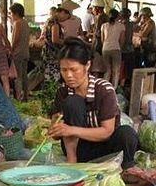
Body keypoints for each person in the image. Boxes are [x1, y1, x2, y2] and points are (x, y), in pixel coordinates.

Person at [48, 38, 140, 174]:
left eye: (74, 70)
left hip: (106, 147)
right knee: (72, 101)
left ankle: (127, 168)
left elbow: (107, 131)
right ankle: (72, 162)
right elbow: (58, 133)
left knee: (127, 133)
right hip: (79, 150)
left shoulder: (104, 90)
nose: (68, 75)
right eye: (64, 70)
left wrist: (71, 129)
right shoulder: (63, 92)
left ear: (87, 66)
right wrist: (56, 128)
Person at [9, 3, 30, 101]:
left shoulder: (17, 23)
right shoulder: (25, 22)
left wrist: (11, 49)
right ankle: (25, 96)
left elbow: (15, 39)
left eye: (12, 13)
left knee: (18, 76)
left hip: (18, 53)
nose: (11, 16)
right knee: (24, 75)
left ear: (16, 13)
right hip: (25, 52)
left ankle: (18, 98)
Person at [101, 9, 124, 88]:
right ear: (117, 16)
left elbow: (102, 39)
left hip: (105, 49)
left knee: (107, 70)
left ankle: (104, 87)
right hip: (116, 48)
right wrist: (119, 47)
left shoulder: (104, 25)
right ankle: (114, 88)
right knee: (116, 71)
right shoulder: (121, 26)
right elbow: (122, 40)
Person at [41, 7, 62, 82]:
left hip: (46, 51)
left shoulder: (47, 22)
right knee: (53, 77)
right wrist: (65, 41)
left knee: (48, 76)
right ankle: (54, 93)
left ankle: (49, 92)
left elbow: (42, 36)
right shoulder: (54, 23)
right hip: (52, 53)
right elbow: (55, 40)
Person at [90, 0, 108, 77]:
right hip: (103, 43)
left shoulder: (100, 17)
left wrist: (90, 34)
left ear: (97, 8)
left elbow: (98, 33)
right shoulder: (105, 17)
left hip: (98, 43)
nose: (92, 10)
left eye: (93, 8)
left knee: (97, 64)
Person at [119, 8, 135, 86]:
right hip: (130, 49)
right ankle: (131, 84)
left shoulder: (120, 25)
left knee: (122, 68)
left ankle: (122, 85)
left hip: (122, 49)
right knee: (129, 68)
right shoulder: (132, 24)